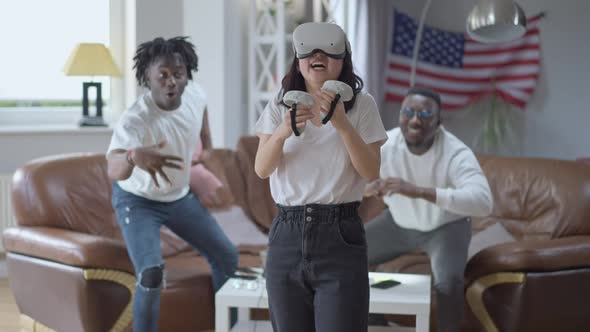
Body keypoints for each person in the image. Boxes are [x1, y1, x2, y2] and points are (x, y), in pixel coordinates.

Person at [254, 22, 388, 332]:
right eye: (310, 53)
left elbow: (370, 171)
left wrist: (342, 124)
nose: (318, 57)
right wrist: (283, 131)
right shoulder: (279, 104)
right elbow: (262, 168)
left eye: (328, 52)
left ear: (343, 59)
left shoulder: (362, 105)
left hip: (339, 232)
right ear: (298, 60)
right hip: (287, 232)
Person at [106, 36, 238, 332]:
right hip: (137, 201)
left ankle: (228, 328)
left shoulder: (194, 95)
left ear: (187, 75)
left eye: (177, 74)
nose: (170, 82)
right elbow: (114, 169)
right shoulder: (135, 120)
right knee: (151, 273)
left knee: (227, 257)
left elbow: (202, 110)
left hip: (179, 198)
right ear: (147, 77)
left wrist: (206, 145)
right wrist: (133, 156)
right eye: (162, 75)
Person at [364, 87, 493, 332]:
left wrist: (419, 191)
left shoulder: (456, 152)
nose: (415, 120)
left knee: (448, 284)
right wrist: (367, 189)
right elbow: (349, 181)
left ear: (438, 122)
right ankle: (376, 323)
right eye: (409, 112)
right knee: (350, 254)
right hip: (399, 222)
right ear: (400, 115)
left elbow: (483, 202)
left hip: (446, 226)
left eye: (424, 115)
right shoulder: (386, 145)